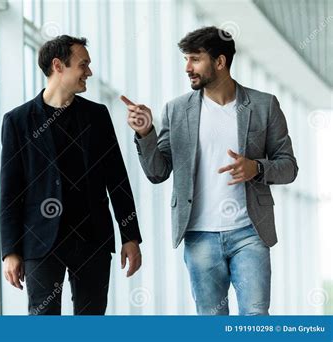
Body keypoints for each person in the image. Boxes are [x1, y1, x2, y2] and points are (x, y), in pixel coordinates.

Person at [122, 26, 298, 315]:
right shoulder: (176, 111)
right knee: (211, 321)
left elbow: (289, 167)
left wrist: (256, 167)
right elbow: (158, 172)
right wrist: (146, 133)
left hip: (250, 232)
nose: (187, 68)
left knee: (256, 317)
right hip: (199, 234)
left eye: (194, 59)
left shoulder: (264, 105)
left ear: (220, 62)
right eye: (185, 60)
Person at [0, 35, 142, 315]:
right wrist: (10, 250)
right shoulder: (17, 120)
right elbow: (10, 191)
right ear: (58, 65)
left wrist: (130, 236)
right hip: (40, 241)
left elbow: (117, 179)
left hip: (92, 239)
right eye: (83, 64)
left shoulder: (97, 116)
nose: (89, 72)